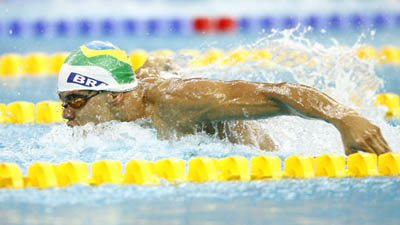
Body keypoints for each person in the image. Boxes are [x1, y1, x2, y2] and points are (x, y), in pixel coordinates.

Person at [58, 41, 391, 155]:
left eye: (75, 100)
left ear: (114, 97)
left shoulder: (176, 103)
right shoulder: (129, 92)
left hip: (263, 158)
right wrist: (164, 65)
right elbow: (151, 66)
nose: (66, 114)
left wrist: (344, 118)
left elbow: (277, 93)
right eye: (63, 101)